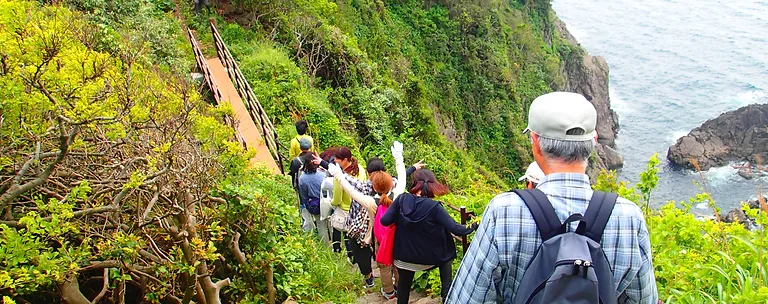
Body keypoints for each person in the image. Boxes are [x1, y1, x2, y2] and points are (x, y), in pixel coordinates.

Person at [446, 92, 658, 303]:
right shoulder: (629, 217)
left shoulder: (504, 212)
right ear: (593, 142)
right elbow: (644, 299)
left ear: (535, 142)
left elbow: (466, 299)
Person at [380, 169, 478, 304]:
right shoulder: (434, 207)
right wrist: (475, 224)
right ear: (432, 184)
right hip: (429, 260)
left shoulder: (402, 199)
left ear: (414, 182)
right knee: (446, 257)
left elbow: (384, 221)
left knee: (404, 284)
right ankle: (446, 295)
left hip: (403, 258)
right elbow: (456, 229)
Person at [327, 142, 407, 292]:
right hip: (398, 234)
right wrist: (398, 156)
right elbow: (402, 176)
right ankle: (400, 287)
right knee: (398, 261)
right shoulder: (398, 195)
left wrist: (337, 174)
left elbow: (350, 189)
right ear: (391, 183)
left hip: (380, 237)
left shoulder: (370, 202)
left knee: (383, 265)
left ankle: (388, 292)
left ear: (373, 186)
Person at [297, 152, 329, 242]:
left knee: (320, 224)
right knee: (330, 223)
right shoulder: (323, 174)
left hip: (315, 204)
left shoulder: (302, 178)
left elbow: (303, 195)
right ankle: (336, 247)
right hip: (327, 201)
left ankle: (326, 247)